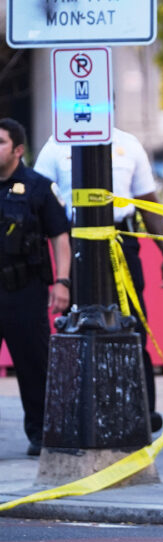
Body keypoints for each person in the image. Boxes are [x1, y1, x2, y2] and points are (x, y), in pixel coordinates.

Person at [34, 128, 163, 434]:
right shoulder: (57, 144)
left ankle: (142, 411)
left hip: (122, 240)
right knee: (78, 327)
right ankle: (78, 410)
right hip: (78, 242)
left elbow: (147, 202)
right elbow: (39, 199)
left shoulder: (128, 143)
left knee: (133, 323)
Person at [0, 118, 71, 456]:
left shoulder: (39, 187)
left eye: (0, 142)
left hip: (24, 291)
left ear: (18, 150)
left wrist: (62, 281)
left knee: (33, 365)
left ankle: (40, 434)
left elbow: (60, 236)